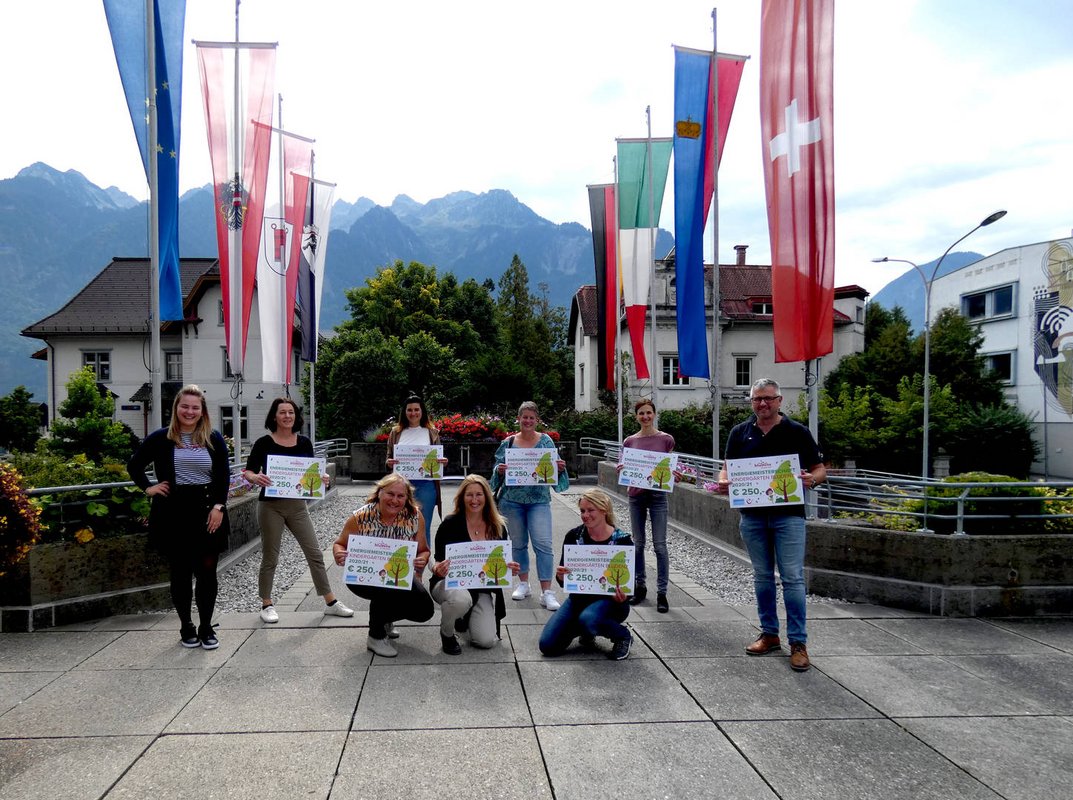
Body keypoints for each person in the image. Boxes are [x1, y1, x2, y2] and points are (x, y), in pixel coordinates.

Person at [715, 378, 826, 672]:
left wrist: (811, 480)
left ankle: (798, 643)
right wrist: (723, 482)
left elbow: (819, 469)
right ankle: (769, 634)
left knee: (792, 578)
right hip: (752, 516)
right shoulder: (740, 432)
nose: (762, 403)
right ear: (751, 402)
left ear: (779, 400)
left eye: (768, 398)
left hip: (788, 516)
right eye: (757, 399)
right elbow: (726, 468)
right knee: (762, 577)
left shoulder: (797, 431)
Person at [127, 384, 231, 650]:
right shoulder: (161, 438)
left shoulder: (213, 438)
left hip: (208, 510)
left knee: (207, 571)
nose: (190, 411)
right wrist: (148, 487)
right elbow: (134, 465)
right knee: (181, 572)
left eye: (195, 407)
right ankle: (186, 626)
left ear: (202, 411)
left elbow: (223, 475)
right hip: (173, 513)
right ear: (176, 408)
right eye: (185, 406)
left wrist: (219, 506)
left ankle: (206, 627)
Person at [243, 397, 352, 624]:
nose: (287, 416)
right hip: (270, 506)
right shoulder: (263, 442)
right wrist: (255, 477)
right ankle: (267, 604)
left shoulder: (303, 442)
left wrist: (322, 477)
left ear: (296, 416)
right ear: (274, 416)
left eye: (291, 412)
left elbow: (310, 472)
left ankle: (330, 602)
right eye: (282, 412)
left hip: (297, 506)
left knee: (315, 553)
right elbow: (248, 471)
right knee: (270, 556)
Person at [332, 474, 434, 657]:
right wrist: (339, 554)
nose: (395, 500)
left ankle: (383, 619)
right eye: (390, 494)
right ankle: (376, 635)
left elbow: (424, 550)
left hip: (398, 575)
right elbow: (339, 543)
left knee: (424, 610)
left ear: (407, 498)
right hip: (362, 576)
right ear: (379, 493)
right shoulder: (361, 516)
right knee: (383, 587)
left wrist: (422, 559)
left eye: (400, 496)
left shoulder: (414, 516)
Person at [490, 400, 569, 611]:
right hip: (511, 500)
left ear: (537, 420)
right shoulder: (508, 442)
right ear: (518, 419)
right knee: (518, 544)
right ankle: (523, 583)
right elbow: (495, 470)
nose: (527, 421)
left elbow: (556, 471)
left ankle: (547, 591)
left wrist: (560, 468)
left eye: (531, 418)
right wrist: (499, 470)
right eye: (524, 417)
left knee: (543, 544)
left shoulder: (546, 442)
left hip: (539, 501)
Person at [539, 489, 634, 660]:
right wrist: (561, 576)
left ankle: (622, 635)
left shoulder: (622, 540)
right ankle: (585, 628)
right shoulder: (574, 536)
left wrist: (624, 596)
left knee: (589, 618)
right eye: (582, 510)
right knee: (547, 645)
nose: (585, 515)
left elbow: (631, 583)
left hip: (610, 602)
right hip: (578, 600)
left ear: (604, 510)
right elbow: (565, 578)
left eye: (591, 510)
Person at [429, 475, 520, 654]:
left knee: (486, 641)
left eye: (479, 494)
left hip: (481, 588)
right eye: (469, 495)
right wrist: (437, 568)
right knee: (460, 600)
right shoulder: (450, 524)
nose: (474, 500)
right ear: (462, 498)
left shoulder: (498, 526)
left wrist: (508, 569)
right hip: (449, 585)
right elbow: (437, 559)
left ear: (487, 497)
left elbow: (501, 561)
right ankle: (447, 633)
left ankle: (464, 616)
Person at [617, 398, 675, 613]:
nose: (645, 416)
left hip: (658, 496)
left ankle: (662, 593)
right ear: (636, 416)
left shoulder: (666, 439)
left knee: (660, 545)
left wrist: (674, 474)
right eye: (641, 413)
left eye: (649, 412)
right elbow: (623, 464)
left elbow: (669, 465)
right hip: (636, 496)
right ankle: (640, 587)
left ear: (654, 414)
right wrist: (621, 469)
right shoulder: (629, 441)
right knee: (638, 544)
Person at [385, 394, 444, 549]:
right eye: (409, 410)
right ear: (404, 412)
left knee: (423, 526)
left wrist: (442, 461)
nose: (413, 413)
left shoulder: (432, 432)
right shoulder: (396, 432)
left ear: (422, 411)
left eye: (416, 409)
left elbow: (438, 457)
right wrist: (389, 462)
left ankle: (422, 562)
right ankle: (402, 559)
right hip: (400, 487)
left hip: (426, 485)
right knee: (399, 525)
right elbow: (388, 458)